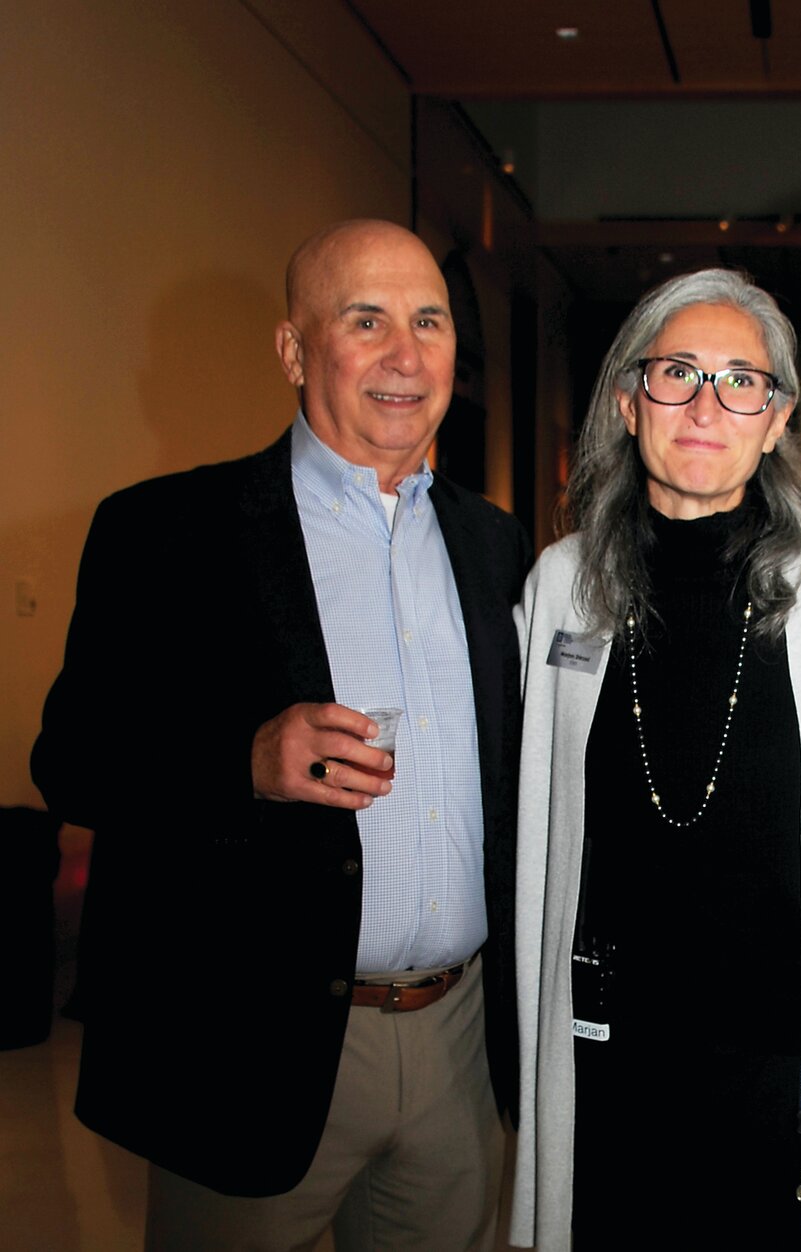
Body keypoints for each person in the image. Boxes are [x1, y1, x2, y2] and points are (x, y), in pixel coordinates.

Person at [32, 219, 529, 1250]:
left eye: (429, 320)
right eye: (366, 320)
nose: (407, 353)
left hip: (459, 1041)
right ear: (296, 351)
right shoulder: (168, 531)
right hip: (249, 1043)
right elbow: (71, 759)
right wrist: (243, 763)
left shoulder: (497, 546)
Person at [509, 268, 801, 1250]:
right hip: (611, 1052)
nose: (705, 403)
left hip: (776, 1060)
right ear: (628, 400)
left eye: (741, 381)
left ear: (776, 421)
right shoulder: (562, 585)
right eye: (678, 372)